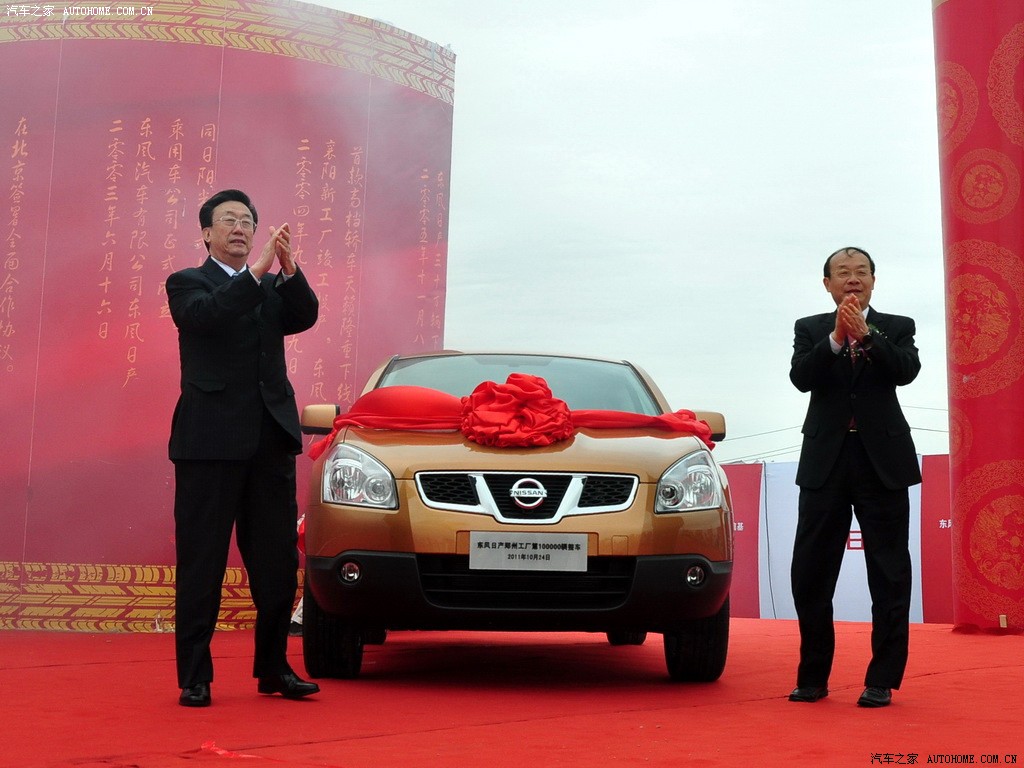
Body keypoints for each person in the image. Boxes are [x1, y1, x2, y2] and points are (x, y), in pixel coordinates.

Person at [168, 189, 320, 707]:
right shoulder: (187, 283)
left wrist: (289, 268)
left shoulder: (273, 286)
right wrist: (257, 273)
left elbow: (305, 315)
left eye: (248, 222)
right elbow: (207, 316)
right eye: (228, 220)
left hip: (269, 441)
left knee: (276, 565)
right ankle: (195, 676)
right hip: (209, 443)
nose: (240, 228)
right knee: (202, 564)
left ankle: (274, 669)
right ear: (206, 233)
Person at [787, 246, 921, 709]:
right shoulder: (810, 329)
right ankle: (812, 677)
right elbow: (801, 378)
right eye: (842, 272)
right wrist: (837, 339)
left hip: (882, 462)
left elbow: (905, 371)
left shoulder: (897, 326)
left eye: (861, 271)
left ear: (873, 281)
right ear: (827, 283)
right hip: (825, 462)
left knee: (889, 572)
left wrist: (866, 335)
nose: (852, 278)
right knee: (810, 572)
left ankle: (882, 678)